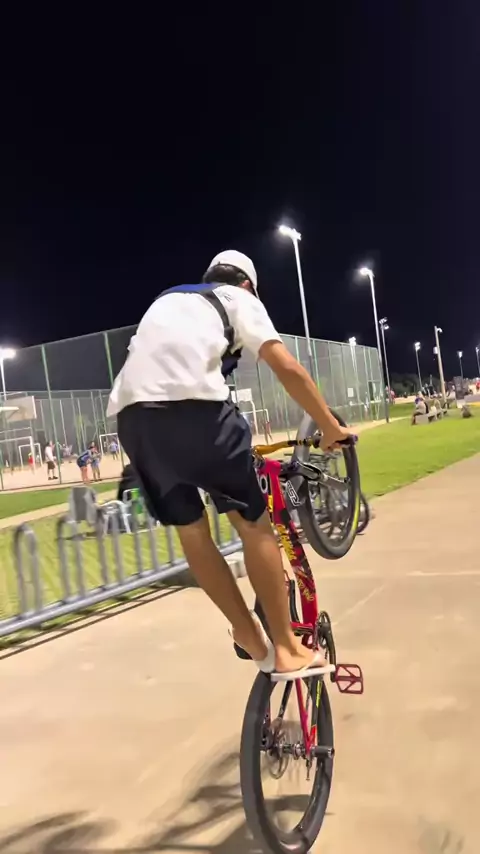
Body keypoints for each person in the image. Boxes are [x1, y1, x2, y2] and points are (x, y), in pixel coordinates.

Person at [107, 250, 352, 680]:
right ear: (247, 285)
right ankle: (286, 647)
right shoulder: (239, 299)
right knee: (253, 525)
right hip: (197, 415)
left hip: (133, 421)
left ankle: (248, 632)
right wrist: (329, 426)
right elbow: (286, 367)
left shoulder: (167, 300)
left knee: (193, 533)